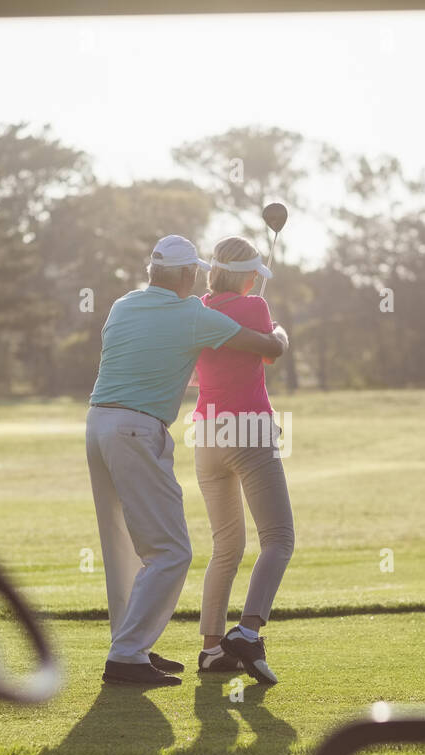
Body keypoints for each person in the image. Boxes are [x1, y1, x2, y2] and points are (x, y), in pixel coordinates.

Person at [87, 235, 288, 688]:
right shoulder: (193, 313)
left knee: (127, 545)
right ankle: (132, 655)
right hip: (143, 429)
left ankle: (148, 648)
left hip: (100, 423)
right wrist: (278, 331)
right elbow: (270, 349)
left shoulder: (123, 305)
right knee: (176, 550)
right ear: (182, 274)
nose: (195, 277)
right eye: (190, 271)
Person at [191, 236, 294, 685]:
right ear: (248, 275)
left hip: (207, 433)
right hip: (249, 430)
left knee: (226, 546)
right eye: (254, 275)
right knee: (278, 539)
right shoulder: (254, 307)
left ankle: (212, 649)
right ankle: (248, 632)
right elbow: (274, 350)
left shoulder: (196, 309)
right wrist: (280, 329)